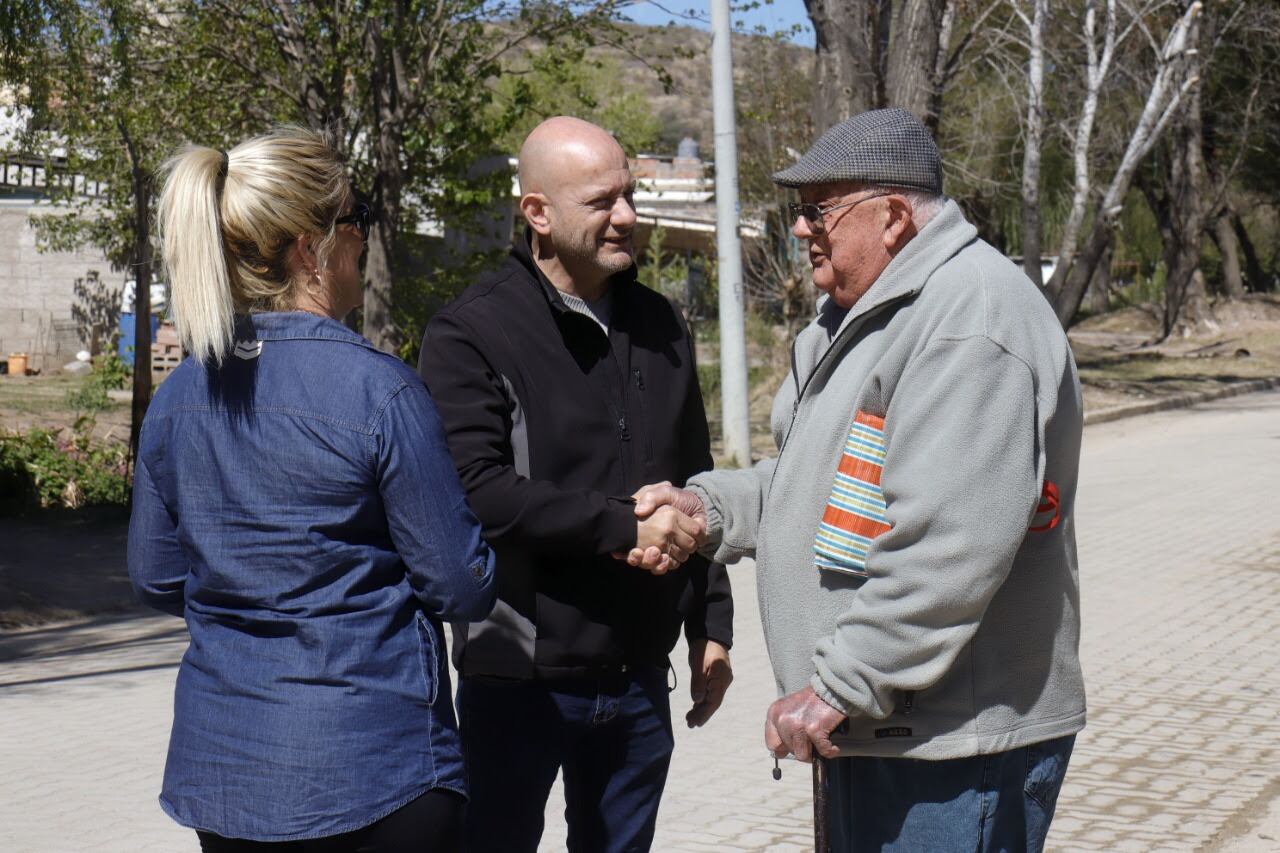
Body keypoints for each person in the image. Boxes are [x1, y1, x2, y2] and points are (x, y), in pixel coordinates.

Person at [629, 107, 1085, 852]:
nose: (803, 230)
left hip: (950, 750)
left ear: (896, 216)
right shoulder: (864, 315)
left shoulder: (969, 318)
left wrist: (840, 685)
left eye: (819, 212)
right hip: (883, 726)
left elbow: (949, 545)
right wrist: (706, 507)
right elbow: (823, 483)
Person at [128, 126, 496, 851]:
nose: (362, 241)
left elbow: (155, 574)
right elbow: (460, 584)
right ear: (310, 248)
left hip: (230, 772)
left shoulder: (178, 398)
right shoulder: (381, 390)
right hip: (377, 768)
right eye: (355, 223)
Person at [416, 115, 733, 853]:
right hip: (517, 681)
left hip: (637, 674)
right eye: (602, 201)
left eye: (628, 194)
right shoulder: (470, 332)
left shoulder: (661, 322)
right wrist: (624, 526)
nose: (626, 215)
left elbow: (695, 480)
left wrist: (709, 625)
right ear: (537, 213)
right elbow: (475, 490)